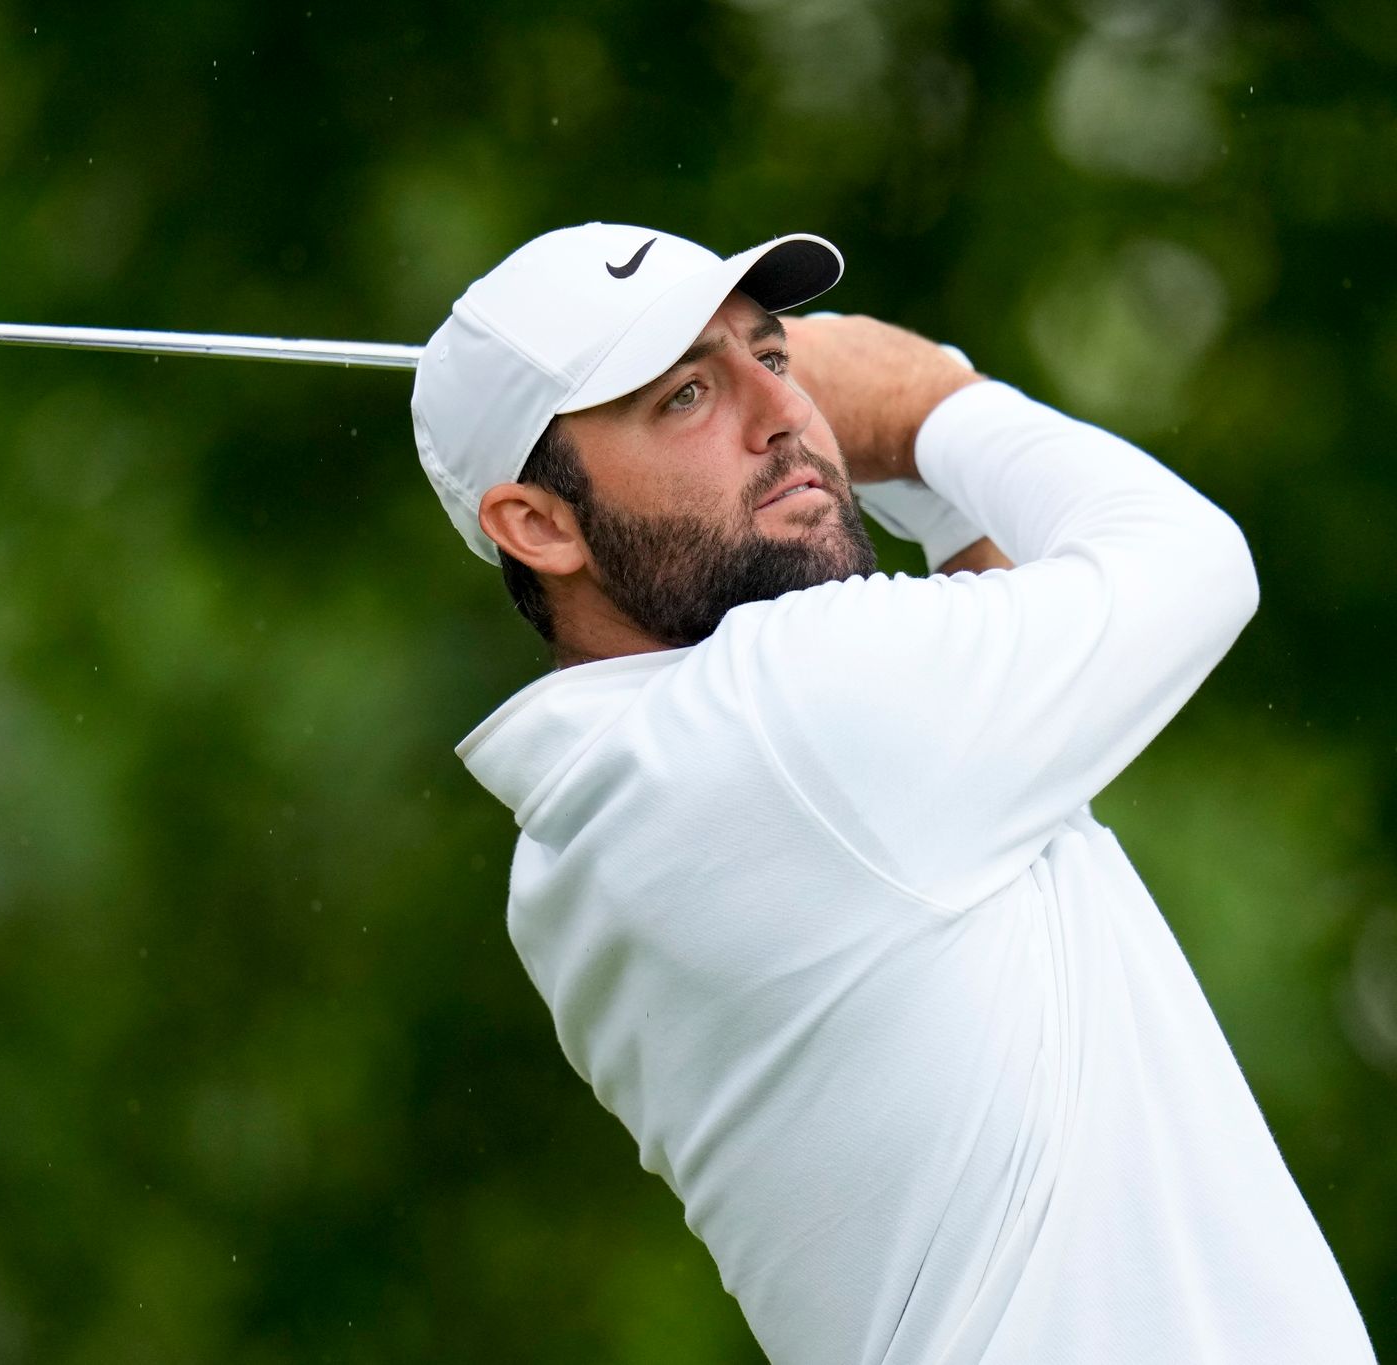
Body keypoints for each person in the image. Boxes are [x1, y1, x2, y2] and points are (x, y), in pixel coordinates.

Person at [410, 223, 1376, 1364]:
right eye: (681, 396)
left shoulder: (605, 818)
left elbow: (1005, 693)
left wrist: (919, 478)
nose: (781, 417)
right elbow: (1194, 561)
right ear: (537, 523)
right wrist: (932, 407)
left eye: (771, 359)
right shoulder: (784, 711)